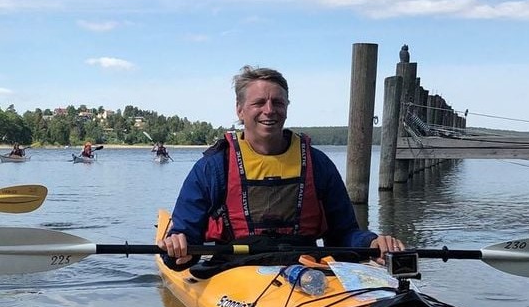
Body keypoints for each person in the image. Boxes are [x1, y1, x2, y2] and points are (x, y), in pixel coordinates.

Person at [159, 66, 403, 269]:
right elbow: (185, 238)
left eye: (278, 102)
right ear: (240, 109)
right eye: (259, 103)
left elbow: (343, 235)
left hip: (306, 267)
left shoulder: (318, 164)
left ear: (287, 106)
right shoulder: (213, 168)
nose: (269, 110)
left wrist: (371, 243)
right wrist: (177, 249)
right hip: (235, 269)